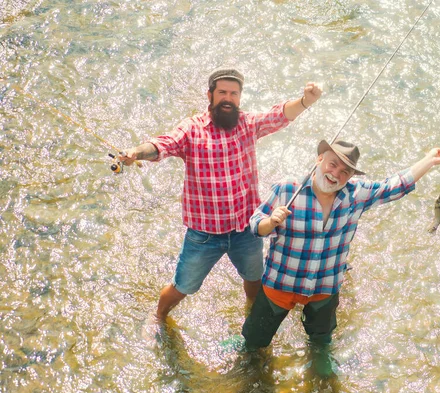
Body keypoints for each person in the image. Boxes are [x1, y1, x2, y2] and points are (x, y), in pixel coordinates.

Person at [119, 67, 322, 322]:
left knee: (254, 279)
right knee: (183, 286)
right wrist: (136, 153)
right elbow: (163, 144)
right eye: (222, 92)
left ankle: (251, 314)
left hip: (245, 229)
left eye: (234, 93)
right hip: (204, 235)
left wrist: (305, 101)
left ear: (239, 97)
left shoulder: (248, 124)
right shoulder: (192, 129)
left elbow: (278, 115)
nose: (228, 98)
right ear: (210, 95)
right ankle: (158, 316)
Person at [242, 139, 440, 351]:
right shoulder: (288, 189)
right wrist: (271, 222)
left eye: (345, 171)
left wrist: (429, 160)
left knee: (321, 341)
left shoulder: (356, 194)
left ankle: (321, 368)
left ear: (351, 176)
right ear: (319, 159)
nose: (335, 174)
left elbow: (395, 186)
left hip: (324, 287)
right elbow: (255, 224)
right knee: (254, 340)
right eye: (332, 164)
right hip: (280, 283)